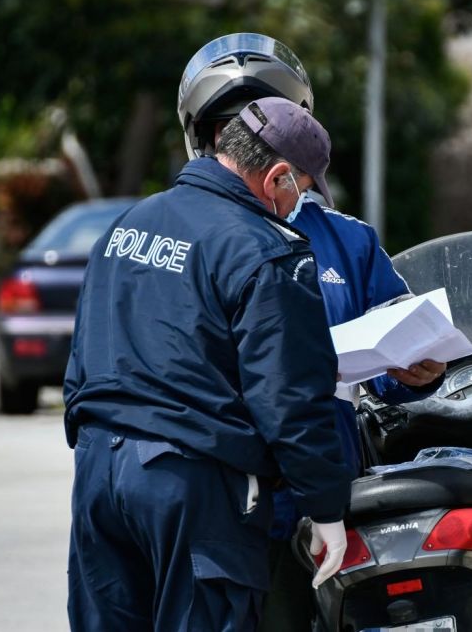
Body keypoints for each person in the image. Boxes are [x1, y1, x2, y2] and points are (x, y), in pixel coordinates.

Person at [177, 33, 446, 631]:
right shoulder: (188, 234)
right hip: (224, 498)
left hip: (327, 491)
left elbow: (403, 347)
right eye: (228, 129)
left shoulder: (349, 240)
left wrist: (416, 371)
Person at [64, 96, 355, 631]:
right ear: (279, 178)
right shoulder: (265, 252)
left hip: (98, 472)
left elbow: (85, 348)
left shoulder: (129, 223)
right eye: (303, 193)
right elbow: (289, 398)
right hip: (191, 485)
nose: (298, 209)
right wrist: (327, 507)